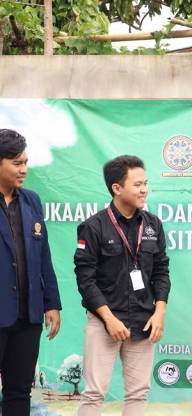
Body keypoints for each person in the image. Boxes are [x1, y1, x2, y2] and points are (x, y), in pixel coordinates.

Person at [74, 155, 170, 416]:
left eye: (145, 183)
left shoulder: (153, 225)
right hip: (104, 321)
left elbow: (161, 271)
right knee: (94, 394)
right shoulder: (93, 227)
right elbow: (85, 279)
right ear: (117, 188)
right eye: (137, 184)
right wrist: (108, 319)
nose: (144, 189)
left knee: (138, 394)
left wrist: (160, 312)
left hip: (143, 321)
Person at [0, 128, 61, 415]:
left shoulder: (32, 201)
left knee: (19, 391)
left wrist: (51, 303)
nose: (24, 169)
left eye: (25, 162)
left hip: (27, 315)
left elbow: (43, 255)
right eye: (16, 163)